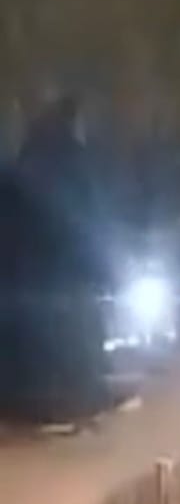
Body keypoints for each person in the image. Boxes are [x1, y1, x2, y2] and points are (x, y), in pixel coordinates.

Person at [4, 98, 112, 426]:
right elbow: (89, 222)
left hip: (26, 277)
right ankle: (70, 398)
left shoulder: (24, 160)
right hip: (61, 276)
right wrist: (104, 270)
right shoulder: (73, 164)